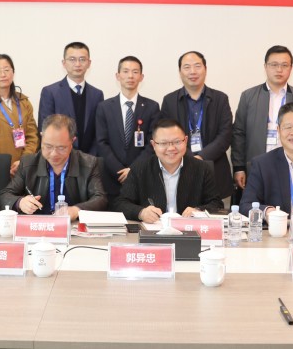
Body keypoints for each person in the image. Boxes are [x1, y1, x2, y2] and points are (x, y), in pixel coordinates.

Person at [232, 45, 293, 191]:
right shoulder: (248, 96)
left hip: (292, 164)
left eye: (284, 65)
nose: (279, 70)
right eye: (274, 65)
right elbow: (238, 134)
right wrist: (239, 167)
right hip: (256, 163)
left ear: (291, 68)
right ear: (265, 67)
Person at [113, 118, 223, 223]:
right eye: (163, 143)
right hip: (153, 231)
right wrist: (141, 213)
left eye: (177, 142)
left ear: (185, 141)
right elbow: (120, 203)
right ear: (154, 145)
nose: (171, 148)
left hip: (189, 230)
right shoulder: (140, 169)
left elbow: (216, 203)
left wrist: (198, 211)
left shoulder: (202, 168)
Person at [159, 51, 234, 205]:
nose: (192, 71)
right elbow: (165, 136)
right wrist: (189, 157)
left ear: (205, 69)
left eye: (197, 66)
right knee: (182, 215)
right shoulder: (169, 101)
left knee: (216, 215)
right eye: (187, 67)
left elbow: (225, 135)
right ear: (180, 72)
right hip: (179, 170)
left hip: (216, 170)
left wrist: (201, 157)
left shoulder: (220, 99)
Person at [0, 114, 107, 219]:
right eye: (48, 146)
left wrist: (76, 210)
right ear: (42, 136)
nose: (54, 154)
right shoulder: (28, 163)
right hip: (38, 225)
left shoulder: (88, 164)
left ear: (72, 141)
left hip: (72, 226)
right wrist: (20, 202)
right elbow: (5, 195)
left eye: (61, 148)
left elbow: (100, 198)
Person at [94, 56, 160, 198]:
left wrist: (133, 170)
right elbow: (101, 143)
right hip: (111, 177)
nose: (130, 76)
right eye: (125, 71)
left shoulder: (152, 107)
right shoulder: (104, 107)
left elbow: (152, 143)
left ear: (141, 77)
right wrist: (119, 170)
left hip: (141, 177)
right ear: (118, 76)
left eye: (135, 72)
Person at [38, 42, 104, 153]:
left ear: (89, 63)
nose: (77, 64)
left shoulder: (97, 94)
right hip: (59, 156)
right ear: (64, 63)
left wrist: (91, 158)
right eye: (72, 59)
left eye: (82, 59)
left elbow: (99, 131)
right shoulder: (50, 92)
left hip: (90, 158)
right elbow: (45, 130)